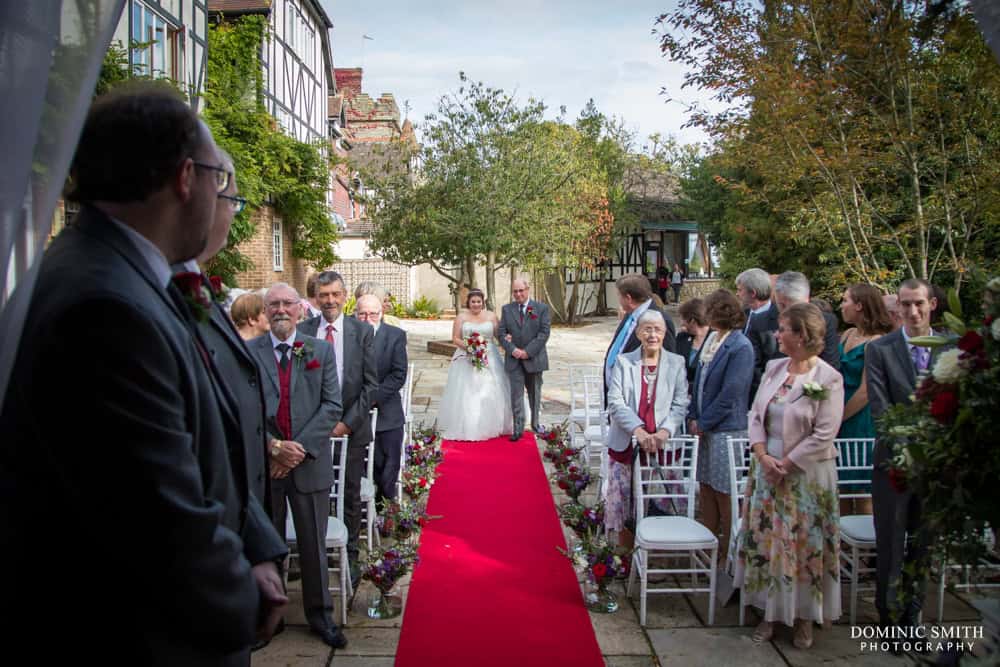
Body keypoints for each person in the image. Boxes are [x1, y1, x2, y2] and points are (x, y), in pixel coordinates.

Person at [0, 84, 284, 663]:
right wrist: (241, 603)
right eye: (218, 178)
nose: (223, 196)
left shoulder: (129, 274)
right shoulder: (104, 307)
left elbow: (214, 439)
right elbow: (157, 520)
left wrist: (255, 545)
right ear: (185, 178)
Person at [735, 303, 844, 651]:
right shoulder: (773, 367)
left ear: (802, 335)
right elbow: (755, 414)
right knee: (770, 543)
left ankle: (804, 618)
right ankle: (768, 613)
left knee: (803, 546)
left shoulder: (828, 378)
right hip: (767, 471)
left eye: (783, 329)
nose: (776, 335)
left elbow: (825, 432)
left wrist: (788, 463)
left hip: (806, 477)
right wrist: (763, 455)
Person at [249, 282, 346, 648]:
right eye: (272, 304)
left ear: (300, 309)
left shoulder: (319, 350)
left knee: (312, 545)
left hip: (308, 465)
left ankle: (320, 616)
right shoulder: (250, 351)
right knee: (268, 543)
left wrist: (298, 450)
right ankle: (268, 620)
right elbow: (243, 409)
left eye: (287, 303)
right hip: (268, 466)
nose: (280, 310)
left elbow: (332, 406)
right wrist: (273, 447)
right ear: (264, 311)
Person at [866, 278, 939, 634]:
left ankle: (915, 619)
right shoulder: (880, 350)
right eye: (905, 305)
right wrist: (908, 452)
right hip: (893, 463)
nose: (912, 312)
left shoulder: (952, 348)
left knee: (923, 548)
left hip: (937, 466)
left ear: (932, 305)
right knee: (892, 546)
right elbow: (882, 410)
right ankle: (890, 622)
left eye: (919, 304)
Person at [298, 271, 378, 588]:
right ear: (315, 297)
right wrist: (317, 427)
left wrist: (347, 423)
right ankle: (314, 555)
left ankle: (351, 557)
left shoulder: (361, 332)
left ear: (345, 296)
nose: (329, 300)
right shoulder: (304, 331)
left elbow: (370, 386)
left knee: (348, 494)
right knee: (313, 493)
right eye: (323, 295)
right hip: (312, 430)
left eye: (335, 294)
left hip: (352, 428)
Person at [605, 310, 689, 541]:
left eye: (658, 329)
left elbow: (681, 403)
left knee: (661, 502)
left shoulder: (676, 363)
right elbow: (616, 402)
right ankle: (627, 552)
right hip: (628, 443)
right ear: (638, 332)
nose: (652, 334)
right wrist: (638, 430)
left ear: (664, 333)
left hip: (663, 446)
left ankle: (661, 551)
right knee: (626, 501)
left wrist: (664, 431)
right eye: (647, 329)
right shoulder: (624, 362)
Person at [687, 290, 754, 563]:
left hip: (727, 428)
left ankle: (729, 548)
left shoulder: (740, 346)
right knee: (706, 485)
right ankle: (708, 538)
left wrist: (704, 422)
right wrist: (693, 416)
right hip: (705, 426)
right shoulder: (713, 339)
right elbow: (699, 381)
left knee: (725, 489)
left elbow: (732, 392)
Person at [837, 284, 894, 515]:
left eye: (845, 300)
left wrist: (838, 418)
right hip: (839, 412)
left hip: (859, 419)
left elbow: (866, 390)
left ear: (859, 305)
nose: (841, 305)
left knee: (861, 489)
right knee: (840, 487)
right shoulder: (848, 334)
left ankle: (867, 547)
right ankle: (843, 547)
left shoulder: (876, 342)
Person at [438, 288, 515, 440]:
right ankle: (468, 425)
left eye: (478, 301)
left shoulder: (491, 316)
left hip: (490, 356)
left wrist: (508, 341)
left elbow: (499, 336)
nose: (476, 304)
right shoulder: (461, 317)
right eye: (473, 302)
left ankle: (494, 423)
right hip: (466, 357)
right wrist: (470, 347)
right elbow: (455, 338)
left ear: (483, 302)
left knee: (492, 388)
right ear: (469, 302)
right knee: (467, 390)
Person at [355, 294, 408, 510]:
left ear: (381, 314)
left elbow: (398, 374)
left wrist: (372, 398)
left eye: (373, 314)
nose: (368, 318)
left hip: (386, 407)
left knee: (388, 462)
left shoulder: (395, 336)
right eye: (362, 314)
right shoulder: (348, 337)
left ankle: (385, 507)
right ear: (356, 315)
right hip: (355, 411)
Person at [603, 273, 677, 404]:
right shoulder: (630, 316)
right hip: (619, 399)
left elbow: (666, 364)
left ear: (629, 298)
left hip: (641, 403)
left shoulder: (659, 320)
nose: (618, 300)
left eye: (619, 296)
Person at [498, 278, 551, 439]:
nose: (518, 294)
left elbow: (544, 333)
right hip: (514, 360)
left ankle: (535, 424)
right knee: (516, 395)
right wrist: (513, 350)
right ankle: (518, 428)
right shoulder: (507, 309)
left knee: (535, 394)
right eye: (515, 291)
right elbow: (501, 333)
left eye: (521, 290)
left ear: (528, 289)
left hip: (534, 358)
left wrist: (527, 352)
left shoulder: (541, 308)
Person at [772, 271, 841, 371]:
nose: (789, 313)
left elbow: (831, 364)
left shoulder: (826, 321)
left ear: (807, 299)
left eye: (796, 306)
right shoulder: (767, 319)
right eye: (782, 306)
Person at [736, 267, 780, 402]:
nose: (737, 294)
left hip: (760, 392)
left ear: (753, 293)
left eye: (740, 290)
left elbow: (771, 357)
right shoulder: (742, 314)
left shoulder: (778, 318)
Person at [675, 298, 711, 392]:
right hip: (682, 394)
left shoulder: (714, 339)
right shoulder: (682, 337)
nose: (681, 323)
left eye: (683, 319)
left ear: (692, 321)